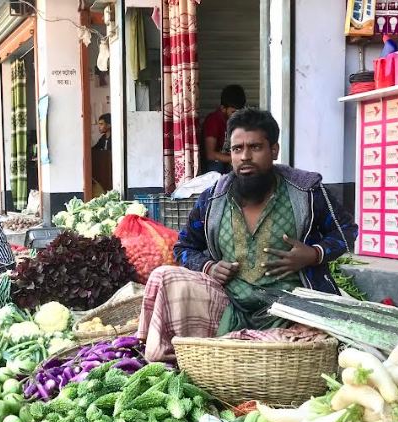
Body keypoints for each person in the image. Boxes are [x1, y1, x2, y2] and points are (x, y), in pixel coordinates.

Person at [137, 108, 357, 362]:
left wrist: (314, 254)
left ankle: (233, 350)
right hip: (228, 306)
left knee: (313, 348)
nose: (245, 157)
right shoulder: (213, 198)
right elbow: (184, 247)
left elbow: (346, 231)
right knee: (164, 276)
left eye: (255, 147)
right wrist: (208, 266)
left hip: (290, 312)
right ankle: (169, 360)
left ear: (273, 150)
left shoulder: (306, 192)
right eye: (237, 149)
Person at [202, 85, 247, 175]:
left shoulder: (242, 119)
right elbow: (210, 154)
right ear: (223, 109)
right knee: (216, 169)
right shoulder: (213, 121)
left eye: (240, 111)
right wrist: (236, 158)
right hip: (215, 162)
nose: (237, 115)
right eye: (233, 112)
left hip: (230, 159)